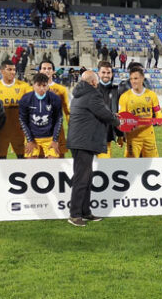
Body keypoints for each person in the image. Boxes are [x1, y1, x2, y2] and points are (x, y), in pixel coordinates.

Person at [66, 70, 120, 227]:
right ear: (94, 82)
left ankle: (85, 211)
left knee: (86, 178)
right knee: (82, 178)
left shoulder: (79, 94)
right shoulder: (93, 94)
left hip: (79, 141)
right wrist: (117, 121)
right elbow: (103, 113)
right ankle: (75, 214)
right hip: (84, 142)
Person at [0, 60, 33, 159]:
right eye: (9, 69)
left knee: (23, 159)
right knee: (0, 160)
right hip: (1, 131)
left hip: (19, 131)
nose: (13, 72)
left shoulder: (24, 86)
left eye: (14, 69)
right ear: (2, 71)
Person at [118, 68, 162, 158]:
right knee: (131, 166)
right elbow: (121, 117)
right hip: (132, 137)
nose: (133, 81)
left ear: (142, 78)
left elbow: (158, 111)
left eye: (136, 78)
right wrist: (121, 135)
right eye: (131, 79)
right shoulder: (124, 97)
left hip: (149, 136)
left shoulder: (151, 95)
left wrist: (160, 119)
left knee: (153, 164)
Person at [19, 73, 63, 159]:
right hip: (33, 137)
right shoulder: (25, 99)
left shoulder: (55, 98)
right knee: (31, 165)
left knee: (53, 164)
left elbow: (59, 119)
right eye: (39, 85)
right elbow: (22, 120)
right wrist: (29, 140)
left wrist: (55, 140)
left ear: (48, 86)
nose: (42, 88)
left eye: (44, 85)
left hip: (49, 137)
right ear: (33, 85)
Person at [39, 60, 70, 157]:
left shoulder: (61, 89)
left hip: (57, 132)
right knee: (37, 162)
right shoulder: (32, 89)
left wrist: (73, 129)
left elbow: (68, 112)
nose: (47, 71)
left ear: (53, 71)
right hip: (38, 131)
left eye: (49, 68)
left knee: (59, 162)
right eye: (44, 68)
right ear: (40, 71)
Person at [95, 61, 121, 158]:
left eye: (108, 73)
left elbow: (119, 113)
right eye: (103, 72)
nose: (106, 75)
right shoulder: (92, 90)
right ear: (98, 73)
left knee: (103, 165)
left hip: (107, 134)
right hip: (92, 135)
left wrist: (120, 134)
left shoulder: (116, 90)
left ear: (112, 74)